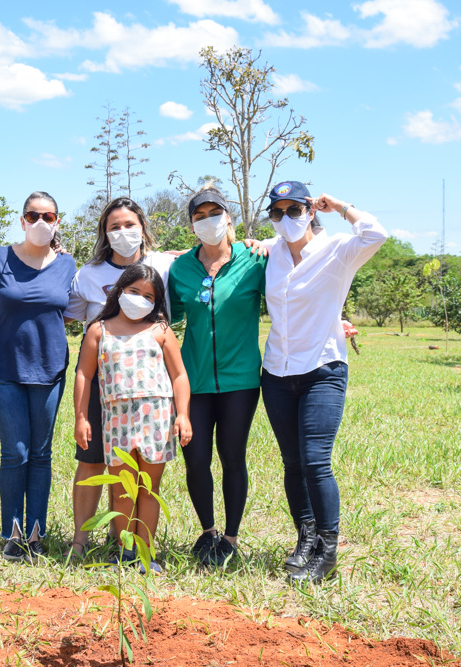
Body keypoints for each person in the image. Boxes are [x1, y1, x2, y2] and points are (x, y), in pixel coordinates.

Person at [260, 180, 387, 584]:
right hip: (277, 372)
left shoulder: (338, 251)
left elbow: (376, 233)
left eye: (294, 210)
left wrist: (341, 205)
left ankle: (328, 552)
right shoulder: (271, 252)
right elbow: (231, 249)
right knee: (292, 463)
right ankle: (306, 538)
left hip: (322, 370)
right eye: (276, 213)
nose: (285, 219)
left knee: (315, 462)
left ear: (311, 210)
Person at [63, 197, 177, 559]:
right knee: (94, 459)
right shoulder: (89, 274)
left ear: (143, 226)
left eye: (130, 224)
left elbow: (210, 253)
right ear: (104, 232)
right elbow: (69, 314)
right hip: (104, 379)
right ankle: (80, 540)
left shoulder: (164, 264)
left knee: (137, 469)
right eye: (114, 226)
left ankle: (125, 543)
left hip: (147, 386)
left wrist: (259, 242)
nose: (123, 232)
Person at [167, 186, 267, 567]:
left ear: (229, 217)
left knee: (232, 456)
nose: (208, 220)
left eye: (215, 212)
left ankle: (231, 537)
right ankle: (207, 532)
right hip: (193, 382)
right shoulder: (181, 268)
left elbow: (290, 293)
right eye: (199, 215)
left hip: (240, 380)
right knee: (195, 460)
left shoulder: (255, 260)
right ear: (192, 225)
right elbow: (165, 315)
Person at [73, 264, 192, 571]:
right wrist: (81, 417)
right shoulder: (99, 330)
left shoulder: (161, 331)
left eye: (148, 295)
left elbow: (179, 375)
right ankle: (125, 553)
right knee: (123, 490)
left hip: (157, 419)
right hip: (116, 420)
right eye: (134, 291)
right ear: (120, 290)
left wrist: (183, 416)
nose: (140, 299)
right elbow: (84, 374)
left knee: (149, 490)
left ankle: (146, 554)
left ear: (157, 301)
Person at [0, 192, 76, 563]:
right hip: (3, 370)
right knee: (15, 452)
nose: (40, 222)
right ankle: (12, 533)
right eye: (32, 215)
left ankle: (36, 533)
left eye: (47, 216)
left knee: (41, 454)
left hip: (50, 370)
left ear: (57, 222)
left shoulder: (67, 264)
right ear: (21, 221)